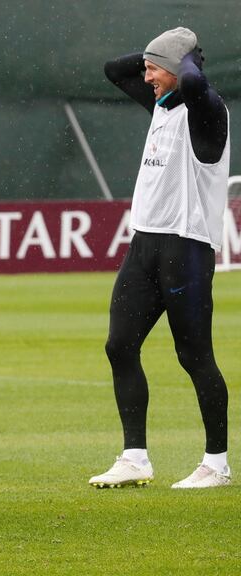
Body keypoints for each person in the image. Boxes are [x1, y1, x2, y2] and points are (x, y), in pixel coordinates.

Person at [91, 27, 231, 489]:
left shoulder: (206, 111)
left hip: (186, 246)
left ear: (178, 69)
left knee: (195, 357)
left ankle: (217, 463)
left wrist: (181, 56)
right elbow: (116, 70)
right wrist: (161, 53)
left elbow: (192, 83)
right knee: (119, 346)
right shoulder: (162, 104)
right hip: (145, 243)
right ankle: (135, 458)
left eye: (154, 69)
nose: (145, 75)